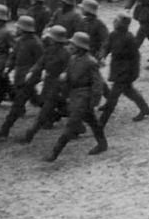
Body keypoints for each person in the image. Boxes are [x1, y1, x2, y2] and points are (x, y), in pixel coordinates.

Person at [43, 32, 107, 162]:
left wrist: (94, 102)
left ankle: (54, 153)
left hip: (84, 97)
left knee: (71, 125)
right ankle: (102, 144)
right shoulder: (73, 58)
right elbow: (69, 73)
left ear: (79, 46)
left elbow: (97, 84)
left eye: (73, 44)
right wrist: (64, 77)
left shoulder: (90, 62)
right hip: (75, 96)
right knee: (93, 122)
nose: (70, 46)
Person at [0, 15, 44, 140]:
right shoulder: (20, 41)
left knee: (17, 105)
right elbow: (13, 56)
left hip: (28, 78)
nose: (17, 29)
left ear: (25, 29)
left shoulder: (36, 43)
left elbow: (41, 61)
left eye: (19, 27)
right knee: (38, 101)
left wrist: (33, 73)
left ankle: (4, 130)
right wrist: (8, 67)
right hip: (20, 76)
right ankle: (57, 112)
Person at [99, 13, 149, 126]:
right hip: (117, 69)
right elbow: (106, 46)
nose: (114, 22)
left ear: (122, 24)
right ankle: (145, 109)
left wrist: (133, 74)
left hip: (126, 72)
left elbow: (136, 58)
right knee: (129, 92)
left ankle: (101, 122)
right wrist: (102, 56)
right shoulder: (113, 34)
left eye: (116, 20)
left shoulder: (129, 38)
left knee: (113, 98)